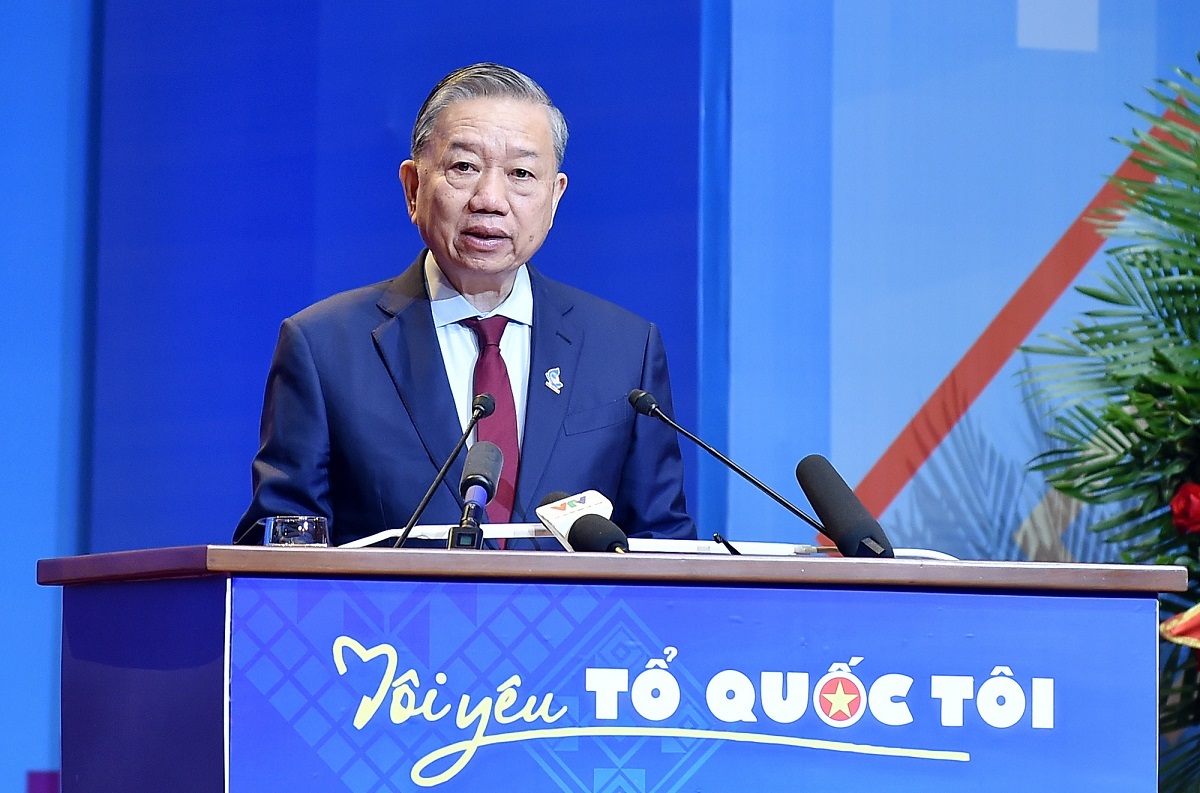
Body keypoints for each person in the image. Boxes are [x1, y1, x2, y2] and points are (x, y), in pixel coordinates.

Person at [234, 63, 695, 547]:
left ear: (554, 197)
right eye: (464, 168)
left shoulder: (624, 350)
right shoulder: (325, 347)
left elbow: (662, 544)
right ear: (413, 188)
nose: (490, 199)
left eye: (521, 173)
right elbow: (280, 547)